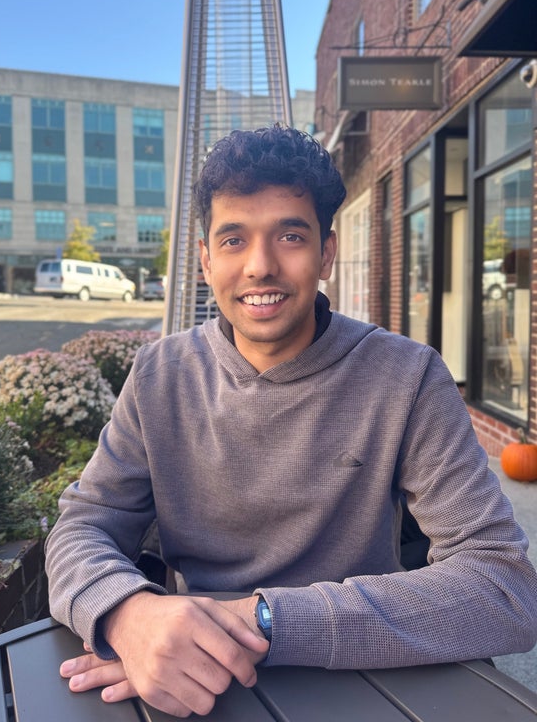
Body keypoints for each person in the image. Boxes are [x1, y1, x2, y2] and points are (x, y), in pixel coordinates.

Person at [45, 125, 537, 718]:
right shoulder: (159, 375)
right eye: (233, 240)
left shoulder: (406, 376)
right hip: (193, 682)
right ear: (205, 260)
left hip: (367, 678)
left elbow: (503, 589)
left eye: (290, 236)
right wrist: (127, 613)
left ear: (326, 254)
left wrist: (259, 621)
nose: (260, 266)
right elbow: (83, 525)